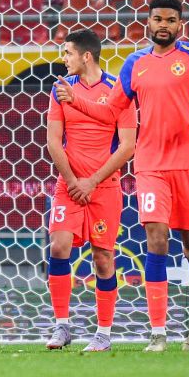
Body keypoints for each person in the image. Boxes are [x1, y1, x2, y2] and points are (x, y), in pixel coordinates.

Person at [55, 0, 189, 352]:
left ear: (181, 24)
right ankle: (158, 332)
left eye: (170, 20)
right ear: (148, 23)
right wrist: (77, 101)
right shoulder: (135, 64)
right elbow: (110, 112)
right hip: (149, 165)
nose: (163, 25)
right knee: (156, 238)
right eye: (157, 19)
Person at [44, 30, 137, 352]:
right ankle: (62, 326)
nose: (64, 58)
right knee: (59, 246)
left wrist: (92, 181)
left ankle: (104, 333)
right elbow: (53, 141)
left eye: (68, 53)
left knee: (103, 258)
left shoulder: (117, 91)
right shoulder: (60, 90)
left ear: (86, 56)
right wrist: (72, 181)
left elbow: (128, 146)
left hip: (104, 186)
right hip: (68, 184)